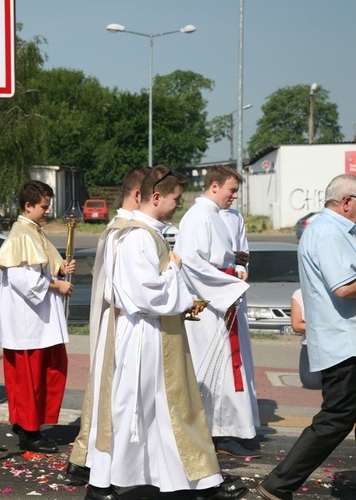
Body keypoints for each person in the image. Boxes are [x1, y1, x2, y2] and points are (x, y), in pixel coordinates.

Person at [84, 165, 247, 500]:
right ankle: (104, 484)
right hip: (144, 333)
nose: (178, 205)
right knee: (145, 409)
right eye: (174, 199)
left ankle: (185, 481)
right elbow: (148, 294)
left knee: (157, 411)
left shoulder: (139, 233)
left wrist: (179, 294)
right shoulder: (137, 236)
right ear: (155, 197)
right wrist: (174, 268)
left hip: (150, 331)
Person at [257, 174, 356, 499]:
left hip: (344, 339)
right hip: (344, 343)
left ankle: (279, 483)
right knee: (335, 420)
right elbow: (344, 288)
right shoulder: (329, 233)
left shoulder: (332, 230)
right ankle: (278, 483)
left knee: (336, 418)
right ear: (347, 202)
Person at [66, 166, 150, 484]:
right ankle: (97, 464)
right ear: (138, 195)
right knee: (113, 396)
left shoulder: (121, 228)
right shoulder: (124, 231)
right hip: (120, 322)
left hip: (115, 320)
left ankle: (86, 461)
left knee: (106, 394)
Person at [174, 165, 258, 459]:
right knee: (214, 369)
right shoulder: (198, 217)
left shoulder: (218, 216)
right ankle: (214, 431)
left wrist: (237, 273)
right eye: (231, 190)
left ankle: (230, 429)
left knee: (229, 368)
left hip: (223, 298)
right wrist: (228, 286)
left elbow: (236, 254)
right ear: (214, 186)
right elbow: (194, 265)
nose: (234, 196)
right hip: (209, 306)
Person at [0, 180, 75, 453]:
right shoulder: (21, 234)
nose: (47, 211)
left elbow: (43, 268)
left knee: (40, 374)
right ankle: (30, 432)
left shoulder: (34, 231)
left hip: (38, 319)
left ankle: (26, 424)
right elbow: (22, 279)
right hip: (28, 321)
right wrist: (57, 284)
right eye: (43, 206)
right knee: (30, 377)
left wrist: (60, 269)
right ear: (28, 206)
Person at [291, 288, 322, 390]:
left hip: (341, 346)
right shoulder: (300, 293)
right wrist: (325, 328)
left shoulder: (341, 291)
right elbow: (297, 325)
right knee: (312, 383)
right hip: (311, 346)